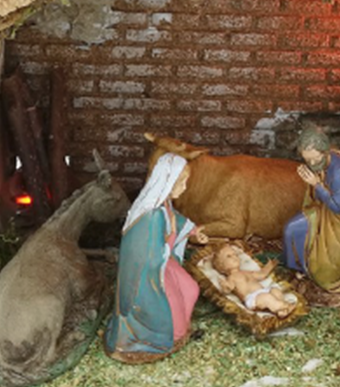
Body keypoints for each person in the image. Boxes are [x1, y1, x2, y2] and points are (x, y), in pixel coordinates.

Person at [103, 153, 208, 363]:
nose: (184, 188)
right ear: (169, 181)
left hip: (162, 262)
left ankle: (178, 330)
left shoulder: (164, 204)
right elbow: (149, 254)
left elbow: (175, 221)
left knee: (191, 289)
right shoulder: (151, 215)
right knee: (171, 313)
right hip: (148, 275)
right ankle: (161, 338)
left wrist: (193, 231)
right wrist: (171, 241)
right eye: (181, 182)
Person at [281, 126, 340, 293]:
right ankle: (298, 270)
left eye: (315, 159)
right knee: (291, 229)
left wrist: (316, 184)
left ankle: (310, 271)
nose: (312, 164)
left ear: (325, 152)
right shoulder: (322, 162)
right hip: (324, 211)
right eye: (308, 160)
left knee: (326, 275)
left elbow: (338, 207)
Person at [211, 244, 295, 318]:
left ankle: (281, 310)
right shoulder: (231, 278)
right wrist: (225, 286)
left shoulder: (246, 272)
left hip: (263, 291)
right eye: (229, 256)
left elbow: (261, 275)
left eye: (235, 254)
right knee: (266, 298)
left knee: (275, 290)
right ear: (221, 267)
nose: (234, 257)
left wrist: (269, 267)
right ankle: (284, 306)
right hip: (252, 298)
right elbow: (228, 289)